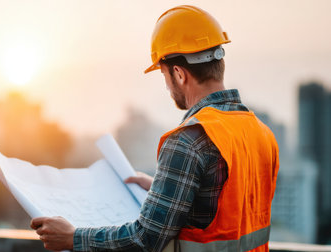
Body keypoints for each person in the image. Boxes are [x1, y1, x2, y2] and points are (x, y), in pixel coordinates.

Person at [31, 5, 279, 252]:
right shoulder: (261, 133)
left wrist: (73, 237)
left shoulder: (189, 141)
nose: (167, 85)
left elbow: (145, 239)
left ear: (179, 74)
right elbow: (231, 207)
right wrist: (163, 188)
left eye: (164, 75)